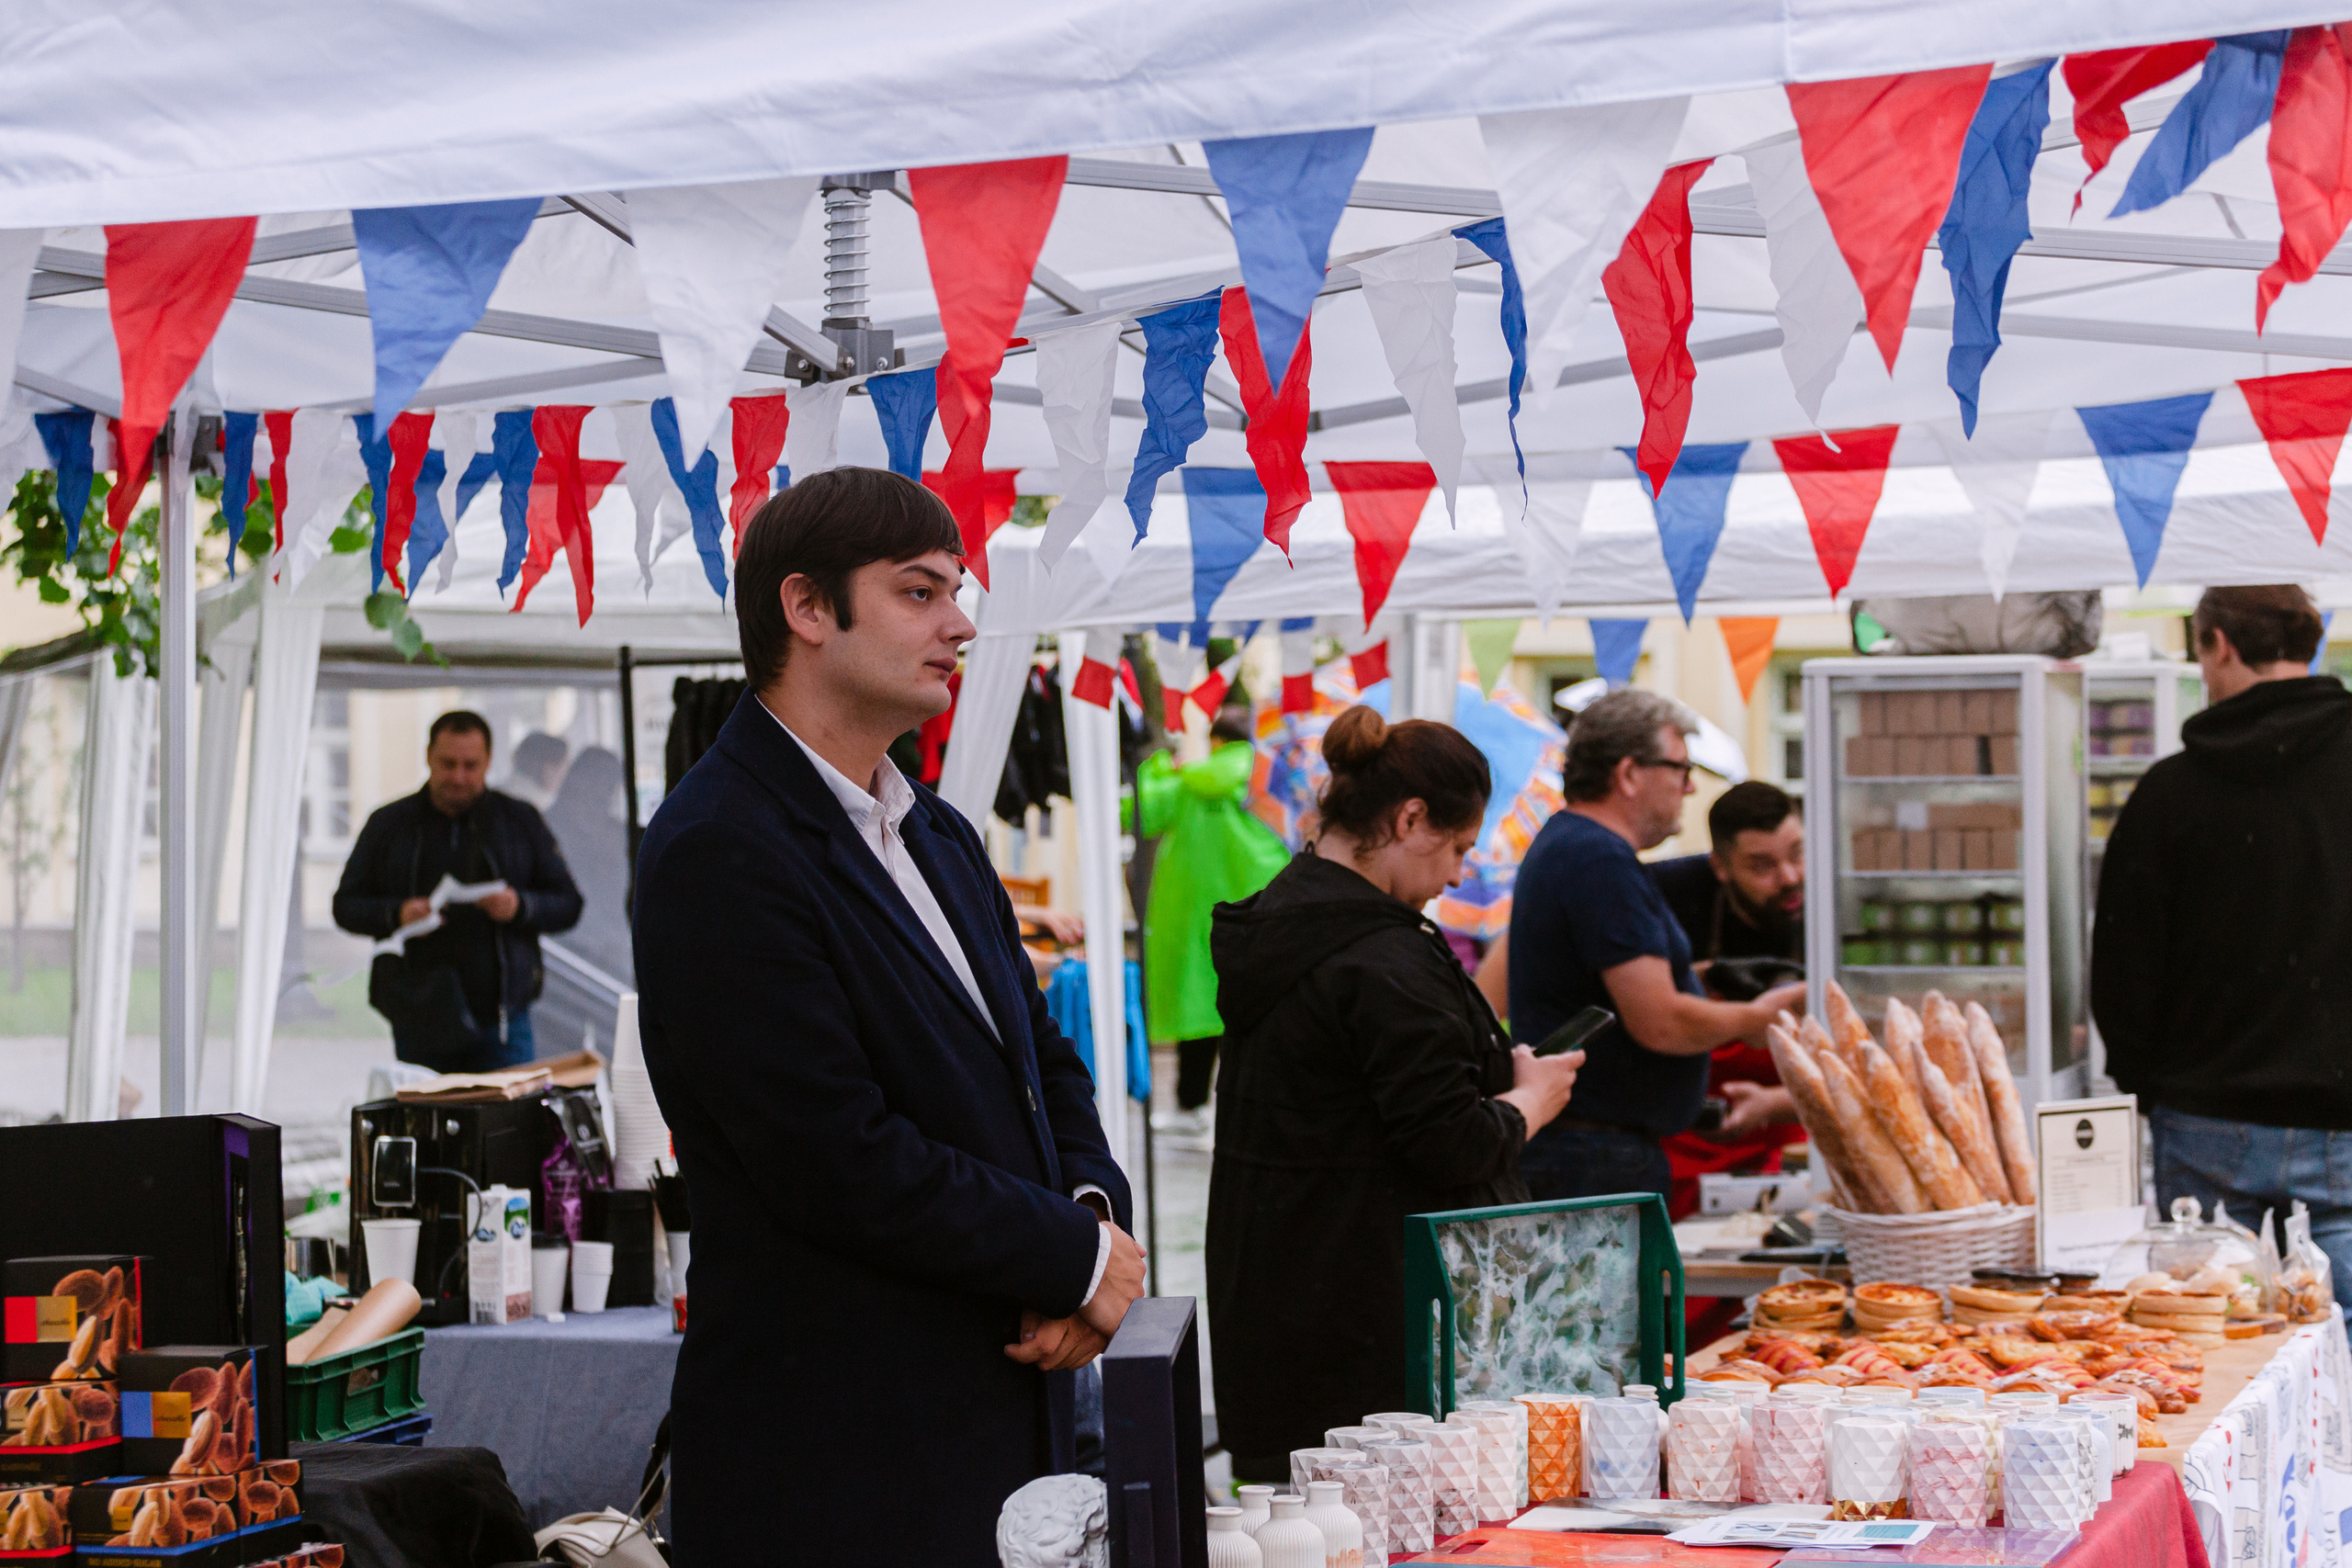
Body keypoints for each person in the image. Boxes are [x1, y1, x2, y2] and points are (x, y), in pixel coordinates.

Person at [630, 468, 1140, 1567]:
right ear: (808, 609)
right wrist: (1073, 1256)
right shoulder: (721, 846)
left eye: (955, 590)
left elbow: (1040, 1063)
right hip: (842, 1459)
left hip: (1005, 1423)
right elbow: (833, 1157)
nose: (960, 623)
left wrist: (1090, 1219)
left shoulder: (937, 832)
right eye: (919, 593)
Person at [1207, 705, 1581, 1483]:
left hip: (1287, 1319)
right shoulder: (1377, 958)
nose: (1453, 875)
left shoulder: (1289, 923)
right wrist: (1533, 1099)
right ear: (1409, 817)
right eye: (1455, 847)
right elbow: (1450, 1142)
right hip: (1373, 1344)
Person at [2094, 584, 2352, 1288]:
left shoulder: (2169, 793)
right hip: (2341, 1119)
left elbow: (2122, 964)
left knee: (2214, 1340)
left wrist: (2145, 1084)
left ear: (2221, 645)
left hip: (2203, 1117)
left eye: (2200, 651)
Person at [1508, 689, 1806, 1203]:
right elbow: (1659, 1022)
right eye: (1680, 769)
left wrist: (1701, 979)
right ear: (1628, 774)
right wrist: (1755, 1019)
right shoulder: (1599, 860)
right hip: (1597, 1153)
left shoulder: (1575, 845)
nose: (1689, 789)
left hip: (1592, 1146)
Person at [332, 711, 582, 1073]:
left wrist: (519, 907)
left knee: (507, 1128)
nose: (459, 777)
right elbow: (345, 906)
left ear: (489, 762)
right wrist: (397, 913)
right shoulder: (389, 824)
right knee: (428, 1128)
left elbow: (569, 904)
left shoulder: (518, 821)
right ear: (428, 757)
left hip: (503, 1024)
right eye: (448, 764)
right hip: (418, 1017)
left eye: (471, 765)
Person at [1648, 782, 1808, 1217]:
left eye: (1797, 853)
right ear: (1719, 866)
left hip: (1791, 1135)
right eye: (1762, 866)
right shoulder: (1666, 893)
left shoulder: (1833, 903)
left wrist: (1772, 1105)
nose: (1789, 878)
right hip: (1684, 1145)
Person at [1139, 697, 1289, 1137]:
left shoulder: (1186, 781)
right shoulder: (1270, 779)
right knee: (1254, 1010)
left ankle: (1190, 1105)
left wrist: (1159, 767)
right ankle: (1254, 1108)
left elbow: (1141, 813)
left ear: (1217, 741)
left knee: (1198, 1006)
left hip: (1195, 912)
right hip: (1259, 909)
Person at [541, 746, 632, 983]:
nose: (601, 793)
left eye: (609, 785)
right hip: (563, 952)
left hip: (617, 950)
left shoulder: (620, 834)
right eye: (595, 783)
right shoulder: (544, 828)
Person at [503, 730, 569, 810]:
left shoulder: (496, 794)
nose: (567, 778)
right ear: (549, 770)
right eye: (564, 769)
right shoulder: (544, 808)